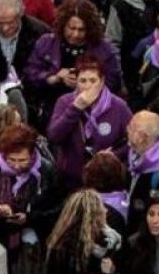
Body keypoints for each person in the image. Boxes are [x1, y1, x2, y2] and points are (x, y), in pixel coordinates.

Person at [46, 56, 131, 189]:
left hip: (106, 179)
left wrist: (114, 155)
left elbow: (132, 141)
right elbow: (54, 136)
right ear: (76, 82)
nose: (87, 86)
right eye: (83, 81)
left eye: (93, 80)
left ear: (102, 81)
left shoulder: (118, 106)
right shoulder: (65, 102)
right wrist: (75, 108)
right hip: (71, 179)